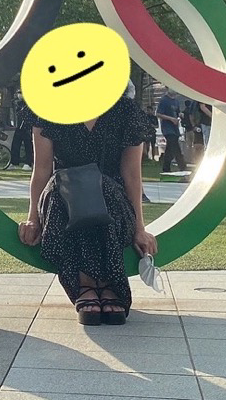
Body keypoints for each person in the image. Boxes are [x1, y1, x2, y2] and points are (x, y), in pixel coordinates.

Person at [18, 93, 158, 325]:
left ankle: (107, 283)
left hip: (111, 196)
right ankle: (86, 284)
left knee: (104, 190)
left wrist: (139, 228)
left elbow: (132, 175)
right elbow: (41, 169)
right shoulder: (49, 107)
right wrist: (33, 218)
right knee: (71, 194)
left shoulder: (126, 111)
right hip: (63, 192)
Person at [156, 88, 185, 174]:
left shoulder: (176, 101)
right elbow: (158, 114)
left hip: (175, 128)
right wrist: (171, 119)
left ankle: (166, 168)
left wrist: (180, 114)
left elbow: (177, 112)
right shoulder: (164, 100)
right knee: (175, 147)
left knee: (170, 149)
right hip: (167, 128)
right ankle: (182, 166)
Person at [11, 89, 34, 170]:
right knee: (15, 145)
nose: (19, 95)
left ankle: (28, 163)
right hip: (19, 127)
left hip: (27, 128)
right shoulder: (18, 104)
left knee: (28, 146)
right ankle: (14, 162)